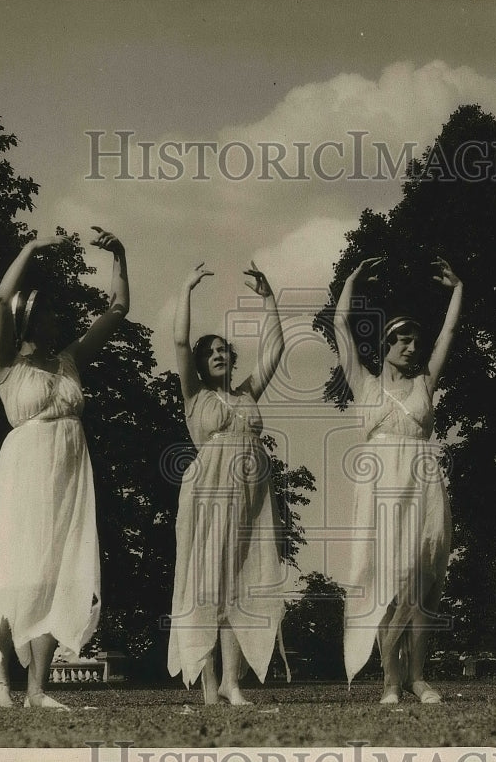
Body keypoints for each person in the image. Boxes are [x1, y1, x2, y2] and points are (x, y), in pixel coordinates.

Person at [0, 226, 130, 709]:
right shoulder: (6, 365)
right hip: (24, 473)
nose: (61, 319)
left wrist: (120, 256)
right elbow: (1, 296)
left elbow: (118, 310)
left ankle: (39, 690)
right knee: (12, 569)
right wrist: (30, 249)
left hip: (69, 475)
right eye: (53, 313)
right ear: (31, 320)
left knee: (56, 574)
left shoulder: (69, 360)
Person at [336, 256, 463, 704]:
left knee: (423, 581)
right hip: (379, 488)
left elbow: (448, 335)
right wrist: (351, 282)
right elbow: (341, 329)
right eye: (402, 341)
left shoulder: (426, 383)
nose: (411, 347)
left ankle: (418, 677)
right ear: (386, 345)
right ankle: (391, 681)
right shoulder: (365, 385)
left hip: (423, 484)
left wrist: (457, 290)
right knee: (386, 581)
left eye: (415, 341)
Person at [168, 261, 288, 705]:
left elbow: (275, 351)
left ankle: (232, 683)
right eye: (211, 352)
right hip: (208, 494)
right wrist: (186, 287)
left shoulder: (246, 395)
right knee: (208, 584)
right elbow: (179, 339)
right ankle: (208, 688)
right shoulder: (195, 397)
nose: (219, 355)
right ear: (200, 364)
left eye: (224, 350)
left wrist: (268, 298)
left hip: (252, 498)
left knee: (242, 584)